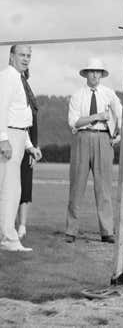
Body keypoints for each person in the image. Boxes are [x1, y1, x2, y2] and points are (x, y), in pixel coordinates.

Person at [65, 58, 122, 244]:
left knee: (104, 187)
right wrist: (97, 116)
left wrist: (118, 134)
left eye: (98, 71)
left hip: (104, 139)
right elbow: (74, 122)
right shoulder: (77, 95)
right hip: (82, 138)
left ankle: (107, 232)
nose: (95, 75)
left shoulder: (109, 94)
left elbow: (120, 116)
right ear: (86, 74)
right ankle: (71, 231)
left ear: (102, 74)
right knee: (77, 186)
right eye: (92, 71)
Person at [0, 44, 42, 252]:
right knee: (8, 189)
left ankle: (8, 236)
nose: (26, 59)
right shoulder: (8, 76)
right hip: (8, 134)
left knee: (13, 188)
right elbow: (1, 108)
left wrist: (29, 146)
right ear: (11, 56)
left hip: (17, 134)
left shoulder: (20, 79)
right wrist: (3, 139)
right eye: (22, 55)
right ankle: (8, 238)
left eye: (28, 56)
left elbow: (21, 116)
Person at [16, 67, 39, 241]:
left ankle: (22, 226)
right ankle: (8, 225)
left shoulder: (31, 100)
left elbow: (33, 128)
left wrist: (33, 149)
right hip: (12, 143)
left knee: (25, 186)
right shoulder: (11, 95)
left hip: (28, 147)